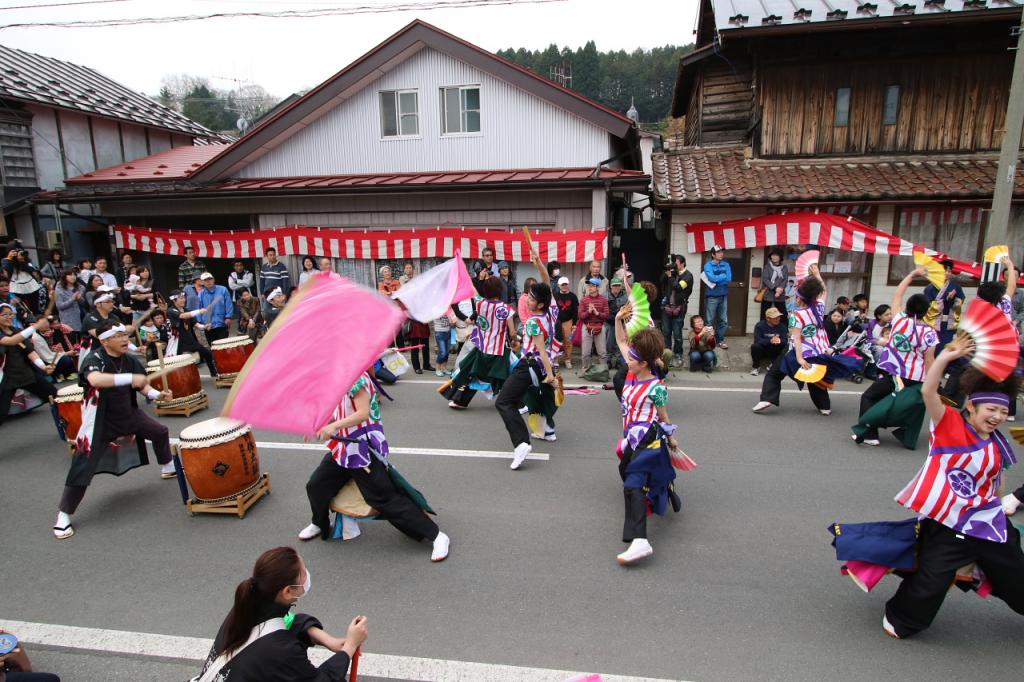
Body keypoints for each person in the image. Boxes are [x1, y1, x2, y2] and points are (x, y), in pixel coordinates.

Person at [882, 336, 1024, 639]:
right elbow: (928, 390)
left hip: (989, 524)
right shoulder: (949, 426)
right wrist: (946, 357)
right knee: (932, 580)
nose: (997, 417)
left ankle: (985, 575)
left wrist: (1001, 508)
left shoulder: (998, 443)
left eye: (1002, 412)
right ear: (971, 406)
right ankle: (900, 617)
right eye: (990, 410)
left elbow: (994, 482)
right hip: (950, 524)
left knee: (1017, 578)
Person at [298, 370, 451, 560]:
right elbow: (340, 410)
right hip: (344, 447)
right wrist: (318, 424)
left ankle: (437, 536)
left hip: (362, 448)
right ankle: (319, 523)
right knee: (317, 485)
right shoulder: (336, 377)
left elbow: (363, 414)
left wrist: (333, 426)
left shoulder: (357, 377)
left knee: (383, 498)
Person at [53, 319, 176, 539]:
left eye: (124, 335)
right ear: (105, 340)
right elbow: (96, 380)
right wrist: (129, 378)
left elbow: (142, 385)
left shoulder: (129, 360)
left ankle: (167, 465)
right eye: (118, 336)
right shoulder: (94, 359)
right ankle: (64, 513)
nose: (124, 339)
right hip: (100, 421)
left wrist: (157, 394)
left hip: (128, 413)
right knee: (83, 466)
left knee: (159, 431)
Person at [195, 546, 367, 681]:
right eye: (303, 574)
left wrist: (327, 640)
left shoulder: (245, 608)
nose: (306, 577)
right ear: (287, 592)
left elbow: (289, 621)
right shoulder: (281, 651)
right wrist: (350, 646)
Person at [611, 311, 680, 565]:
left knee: (632, 483)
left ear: (643, 363)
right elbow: (621, 341)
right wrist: (618, 319)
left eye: (632, 357)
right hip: (631, 436)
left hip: (648, 438)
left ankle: (641, 541)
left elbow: (663, 416)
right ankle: (662, 487)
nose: (627, 358)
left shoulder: (656, 387)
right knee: (624, 469)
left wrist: (671, 436)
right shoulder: (631, 373)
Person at [752, 263, 860, 415]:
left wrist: (801, 359)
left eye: (796, 296)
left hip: (802, 352)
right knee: (815, 378)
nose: (795, 299)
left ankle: (767, 399)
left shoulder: (797, 315)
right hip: (821, 352)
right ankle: (824, 407)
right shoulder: (820, 307)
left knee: (774, 373)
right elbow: (824, 290)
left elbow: (796, 339)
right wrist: (817, 274)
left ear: (799, 299)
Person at [852, 268, 938, 447]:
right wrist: (931, 382)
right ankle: (907, 437)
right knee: (913, 406)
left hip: (894, 373)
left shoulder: (899, 320)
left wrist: (912, 274)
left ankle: (869, 433)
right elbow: (930, 360)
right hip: (916, 377)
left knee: (869, 397)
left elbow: (898, 293)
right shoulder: (930, 333)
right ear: (926, 311)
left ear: (907, 307)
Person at [496, 246, 559, 469]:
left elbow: (540, 349)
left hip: (531, 365)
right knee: (532, 401)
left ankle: (521, 443)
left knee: (504, 402)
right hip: (540, 366)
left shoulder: (533, 322)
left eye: (531, 299)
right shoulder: (551, 312)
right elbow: (547, 283)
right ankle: (546, 431)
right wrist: (539, 262)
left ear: (540, 304)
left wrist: (550, 376)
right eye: (528, 296)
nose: (527, 300)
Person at [444, 277, 517, 408]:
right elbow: (512, 333)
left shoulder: (480, 303)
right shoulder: (506, 309)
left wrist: (465, 275)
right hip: (499, 350)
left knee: (473, 373)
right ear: (500, 290)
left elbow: (474, 291)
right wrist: (516, 341)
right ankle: (520, 402)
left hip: (482, 348)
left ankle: (460, 401)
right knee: (512, 374)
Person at [0, 309, 57, 430]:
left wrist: (43, 366)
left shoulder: (17, 331)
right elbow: (11, 341)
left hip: (26, 373)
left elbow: (30, 352)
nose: (9, 317)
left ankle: (67, 425)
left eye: (11, 314)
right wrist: (36, 326)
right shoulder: (9, 335)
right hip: (6, 378)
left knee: (55, 396)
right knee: (1, 413)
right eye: (4, 314)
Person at [166, 289, 218, 376]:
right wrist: (199, 311)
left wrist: (204, 326)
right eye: (181, 298)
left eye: (184, 298)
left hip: (190, 340)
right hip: (178, 342)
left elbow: (196, 324)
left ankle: (213, 373)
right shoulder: (171, 310)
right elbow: (182, 316)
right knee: (179, 362)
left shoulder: (187, 310)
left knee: (207, 353)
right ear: (174, 300)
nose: (184, 300)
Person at [923, 259, 965, 350]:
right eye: (945, 271)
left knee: (948, 347)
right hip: (934, 324)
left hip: (949, 323)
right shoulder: (930, 288)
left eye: (950, 271)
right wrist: (946, 299)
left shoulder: (956, 287)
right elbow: (928, 307)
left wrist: (954, 300)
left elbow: (960, 302)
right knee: (934, 347)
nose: (948, 273)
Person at [702, 244, 732, 349]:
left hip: (723, 295)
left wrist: (718, 278)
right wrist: (722, 276)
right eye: (718, 252)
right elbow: (711, 278)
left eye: (722, 252)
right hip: (712, 296)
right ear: (713, 254)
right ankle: (708, 340)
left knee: (723, 320)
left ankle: (720, 340)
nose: (721, 254)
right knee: (709, 320)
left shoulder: (726, 264)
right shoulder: (708, 265)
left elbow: (729, 278)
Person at [578, 277, 610, 373]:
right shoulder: (584, 300)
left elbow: (606, 315)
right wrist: (588, 312)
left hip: (600, 325)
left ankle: (603, 371)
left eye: (592, 286)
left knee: (602, 352)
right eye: (589, 285)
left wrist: (597, 313)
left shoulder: (604, 300)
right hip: (586, 326)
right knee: (585, 353)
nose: (590, 287)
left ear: (597, 287)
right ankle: (585, 371)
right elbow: (581, 316)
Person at [197, 272, 234, 345]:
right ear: (202, 282)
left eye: (210, 279)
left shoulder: (223, 290)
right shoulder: (201, 294)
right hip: (208, 325)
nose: (208, 282)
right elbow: (199, 309)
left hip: (222, 322)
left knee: (224, 345)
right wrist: (200, 323)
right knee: (213, 346)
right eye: (206, 280)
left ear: (213, 280)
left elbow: (228, 304)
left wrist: (228, 317)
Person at [750, 307, 788, 375]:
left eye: (778, 317)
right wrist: (770, 341)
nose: (778, 319)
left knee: (787, 347)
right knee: (755, 346)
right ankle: (756, 367)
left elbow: (785, 340)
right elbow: (757, 340)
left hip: (776, 349)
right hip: (764, 348)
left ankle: (773, 364)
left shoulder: (782, 326)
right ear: (768, 318)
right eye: (775, 317)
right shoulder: (760, 325)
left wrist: (779, 340)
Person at [553, 276, 578, 369]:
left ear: (568, 285)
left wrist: (574, 324)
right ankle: (556, 360)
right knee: (557, 341)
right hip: (557, 321)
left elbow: (575, 311)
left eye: (566, 284)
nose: (564, 286)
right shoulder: (555, 295)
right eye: (562, 284)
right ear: (559, 285)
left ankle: (567, 359)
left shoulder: (573, 296)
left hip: (568, 321)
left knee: (568, 341)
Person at [55, 269, 85, 339]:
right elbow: (59, 306)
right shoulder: (59, 289)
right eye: (70, 275)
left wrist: (80, 299)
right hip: (68, 321)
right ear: (64, 276)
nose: (73, 277)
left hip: (82, 318)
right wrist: (72, 299)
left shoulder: (81, 288)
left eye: (74, 275)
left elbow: (85, 304)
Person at [606, 276, 628, 369]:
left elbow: (629, 308)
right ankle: (608, 360)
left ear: (621, 286)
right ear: (611, 286)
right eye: (614, 286)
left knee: (621, 341)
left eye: (618, 286)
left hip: (622, 322)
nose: (616, 288)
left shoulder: (626, 296)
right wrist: (613, 317)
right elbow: (604, 309)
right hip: (609, 322)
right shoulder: (605, 295)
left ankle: (619, 361)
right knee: (609, 342)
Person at [760, 249, 788, 320]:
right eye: (772, 255)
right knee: (765, 314)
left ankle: (783, 330)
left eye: (776, 255)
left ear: (780, 257)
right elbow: (765, 279)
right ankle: (763, 330)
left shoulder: (784, 267)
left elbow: (785, 279)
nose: (774, 257)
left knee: (783, 314)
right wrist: (776, 289)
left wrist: (780, 290)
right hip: (768, 293)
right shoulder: (767, 266)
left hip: (780, 294)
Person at [433, 312, 452, 377]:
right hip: (439, 332)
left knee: (447, 352)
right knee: (442, 352)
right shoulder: (436, 308)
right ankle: (438, 368)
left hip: (448, 331)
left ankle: (444, 368)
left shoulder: (448, 308)